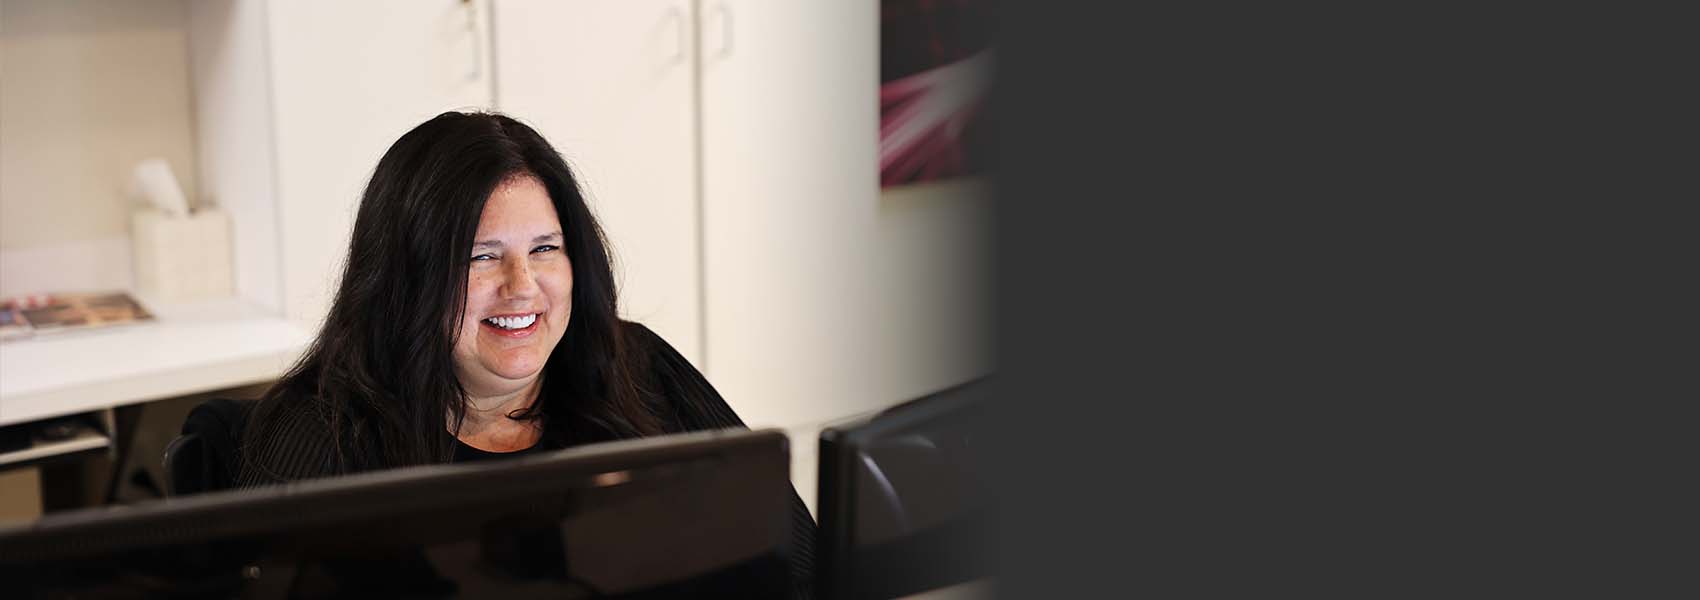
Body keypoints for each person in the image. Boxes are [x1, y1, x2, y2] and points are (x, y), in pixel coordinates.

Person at [238, 111, 815, 594]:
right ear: (405, 279)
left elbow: (800, 563)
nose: (521, 286)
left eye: (544, 249)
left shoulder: (636, 365)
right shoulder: (323, 438)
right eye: (481, 256)